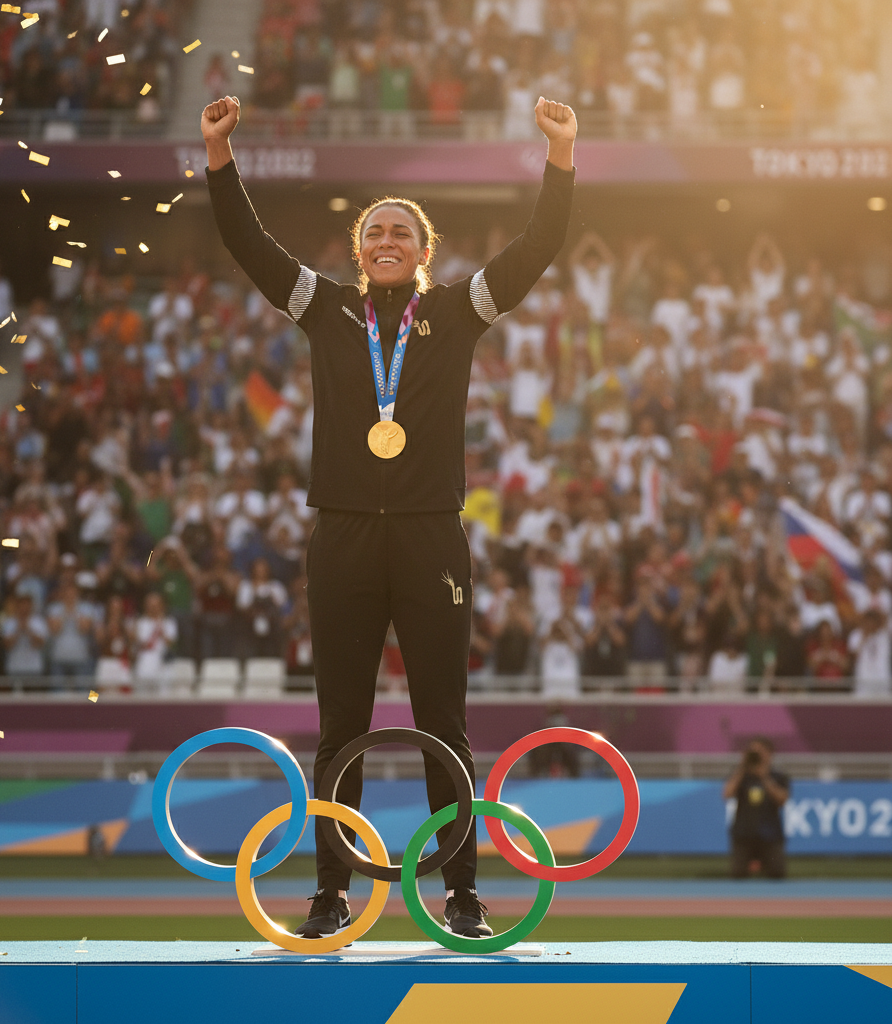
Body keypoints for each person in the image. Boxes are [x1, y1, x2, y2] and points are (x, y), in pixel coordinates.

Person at [201, 91, 576, 939]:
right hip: (341, 533)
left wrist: (561, 157)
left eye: (402, 232)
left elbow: (539, 246)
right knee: (342, 722)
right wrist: (221, 157)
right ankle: (332, 892)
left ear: (423, 250)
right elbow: (247, 245)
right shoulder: (323, 306)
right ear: (357, 250)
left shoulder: (455, 312)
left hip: (431, 535)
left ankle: (463, 893)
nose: (387, 242)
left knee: (444, 718)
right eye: (374, 232)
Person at [723, 737, 790, 879]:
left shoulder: (778, 777)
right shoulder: (741, 776)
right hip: (743, 834)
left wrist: (764, 776)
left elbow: (782, 800)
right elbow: (727, 794)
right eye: (753, 752)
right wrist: (743, 766)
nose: (756, 755)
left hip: (770, 835)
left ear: (769, 754)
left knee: (777, 873)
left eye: (760, 752)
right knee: (738, 874)